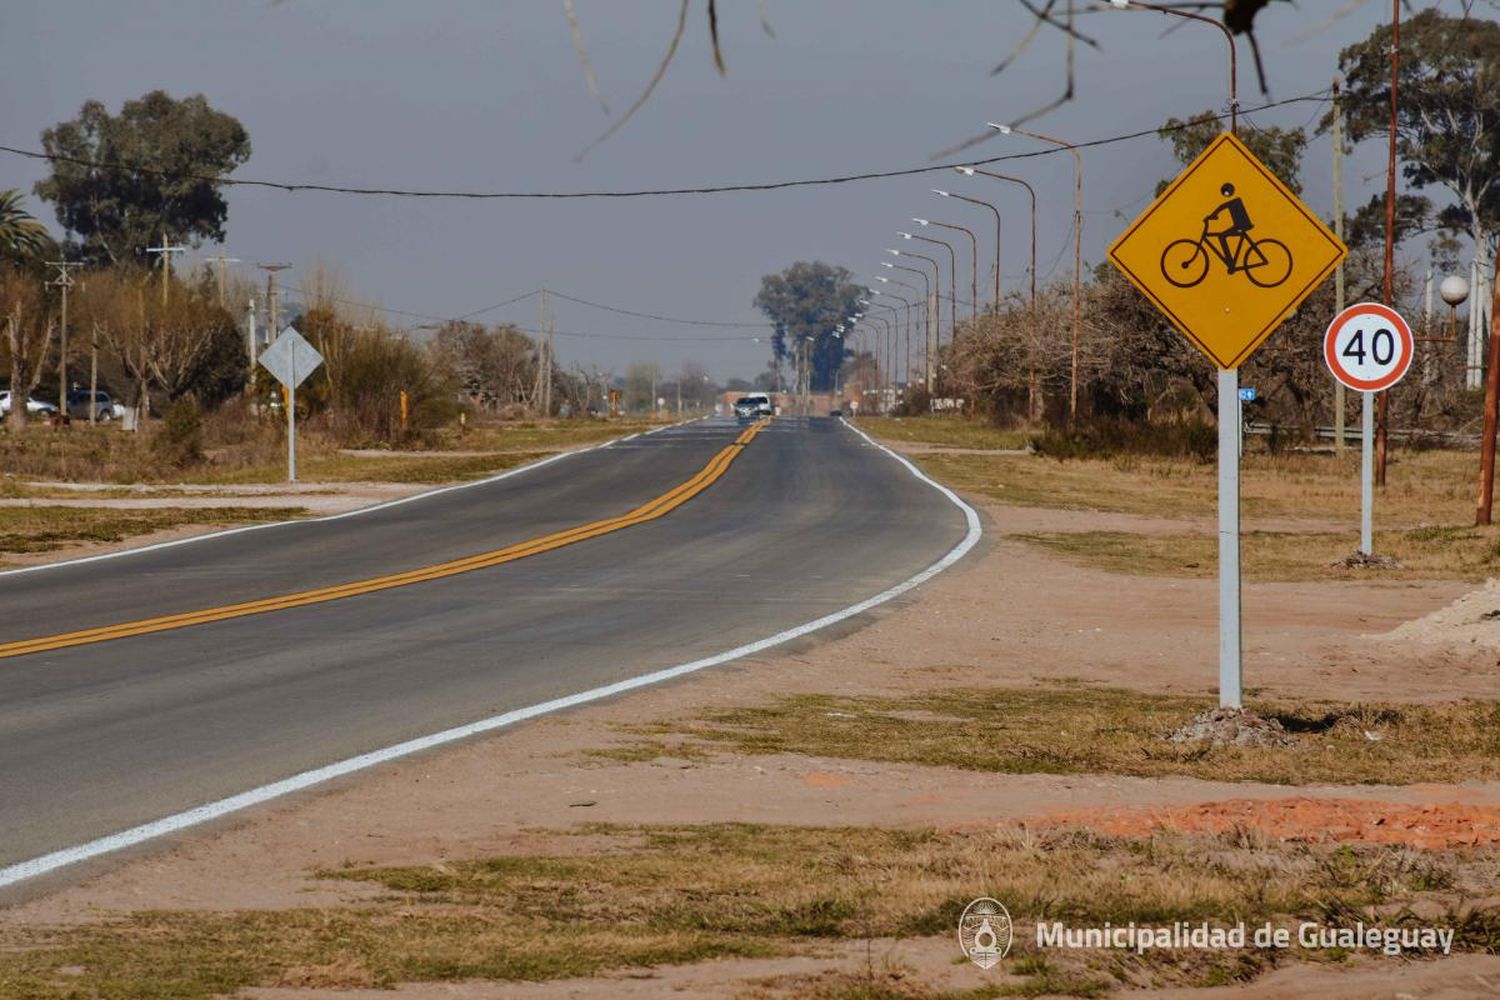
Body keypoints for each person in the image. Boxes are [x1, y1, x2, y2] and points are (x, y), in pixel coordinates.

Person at [1204, 183, 1253, 270]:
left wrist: (1212, 215)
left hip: (1242, 225)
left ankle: (1230, 262)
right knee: (1222, 236)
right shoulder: (1234, 200)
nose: (1226, 194)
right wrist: (1213, 215)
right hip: (1239, 224)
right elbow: (1222, 206)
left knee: (1222, 236)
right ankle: (1230, 261)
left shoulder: (1235, 199)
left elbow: (1222, 206)